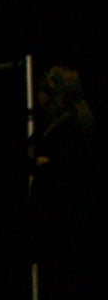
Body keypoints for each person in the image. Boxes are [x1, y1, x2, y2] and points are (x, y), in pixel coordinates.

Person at [29, 65, 100, 298]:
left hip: (62, 218)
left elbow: (66, 171)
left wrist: (43, 165)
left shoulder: (68, 128)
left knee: (61, 276)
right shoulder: (68, 124)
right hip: (67, 218)